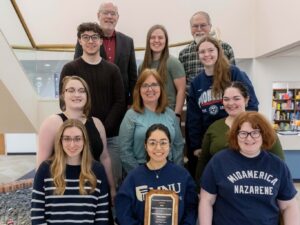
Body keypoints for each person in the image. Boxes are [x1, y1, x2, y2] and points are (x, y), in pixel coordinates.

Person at [199, 111, 300, 225]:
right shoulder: (219, 161)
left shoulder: (277, 165)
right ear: (235, 135)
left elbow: (288, 206)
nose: (249, 138)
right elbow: (206, 201)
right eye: (243, 133)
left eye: (255, 133)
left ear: (264, 134)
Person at [60, 22, 126, 186]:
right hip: (77, 137)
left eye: (95, 37)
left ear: (101, 40)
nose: (91, 41)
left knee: (112, 182)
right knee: (81, 184)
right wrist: (86, 128)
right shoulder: (69, 68)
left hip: (110, 138)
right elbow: (64, 102)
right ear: (79, 41)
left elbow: (120, 101)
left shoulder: (113, 70)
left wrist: (101, 129)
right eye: (86, 37)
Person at [186, 35, 259, 178]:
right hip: (212, 140)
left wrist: (246, 131)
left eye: (211, 50)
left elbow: (252, 104)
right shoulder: (196, 83)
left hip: (238, 135)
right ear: (198, 55)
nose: (207, 55)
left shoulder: (233, 73)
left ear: (218, 51)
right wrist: (196, 146)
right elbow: (193, 117)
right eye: (202, 52)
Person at [37, 76, 116, 200]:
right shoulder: (52, 123)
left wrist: (111, 187)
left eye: (81, 90)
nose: (77, 94)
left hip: (94, 190)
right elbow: (42, 163)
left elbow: (104, 158)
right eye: (71, 90)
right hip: (62, 192)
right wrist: (39, 195)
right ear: (63, 95)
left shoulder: (97, 124)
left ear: (87, 95)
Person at [196, 81, 284, 182]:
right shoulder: (214, 127)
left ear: (246, 100)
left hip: (256, 187)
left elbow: (279, 161)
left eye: (236, 98)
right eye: (226, 99)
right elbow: (204, 161)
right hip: (220, 188)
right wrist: (199, 188)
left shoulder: (262, 125)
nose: (230, 103)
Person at [115, 124, 198, 225]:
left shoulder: (182, 175)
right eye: (152, 143)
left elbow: (191, 208)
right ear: (145, 146)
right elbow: (123, 213)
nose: (158, 148)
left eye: (163, 142)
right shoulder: (133, 178)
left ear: (170, 145)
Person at [31, 119, 110, 224]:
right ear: (60, 141)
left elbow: (102, 217)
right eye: (67, 139)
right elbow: (37, 216)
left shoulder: (97, 171)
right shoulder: (45, 170)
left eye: (77, 139)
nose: (72, 145)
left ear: (84, 141)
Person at [118, 69, 184, 173]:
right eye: (145, 85)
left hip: (169, 169)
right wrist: (141, 175)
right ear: (139, 89)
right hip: (140, 170)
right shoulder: (131, 115)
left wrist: (175, 172)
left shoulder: (170, 114)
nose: (150, 89)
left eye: (154, 84)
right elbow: (124, 150)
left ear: (161, 88)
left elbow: (178, 146)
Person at [74, 1, 137, 107]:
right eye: (106, 13)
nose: (109, 16)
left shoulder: (128, 41)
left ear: (117, 17)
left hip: (121, 102)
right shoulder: (86, 41)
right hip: (92, 101)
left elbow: (133, 77)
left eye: (113, 13)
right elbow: (77, 71)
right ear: (98, 15)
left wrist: (132, 103)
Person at [179, 11, 235, 94]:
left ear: (210, 27)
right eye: (195, 26)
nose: (199, 29)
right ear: (190, 28)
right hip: (196, 104)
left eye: (203, 25)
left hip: (223, 102)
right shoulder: (184, 54)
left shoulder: (226, 48)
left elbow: (233, 79)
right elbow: (182, 85)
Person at [139, 24, 186, 116]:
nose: (156, 40)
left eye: (160, 38)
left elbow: (181, 90)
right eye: (153, 38)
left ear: (166, 41)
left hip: (168, 113)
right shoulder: (142, 66)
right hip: (147, 113)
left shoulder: (173, 63)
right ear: (148, 40)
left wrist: (177, 115)